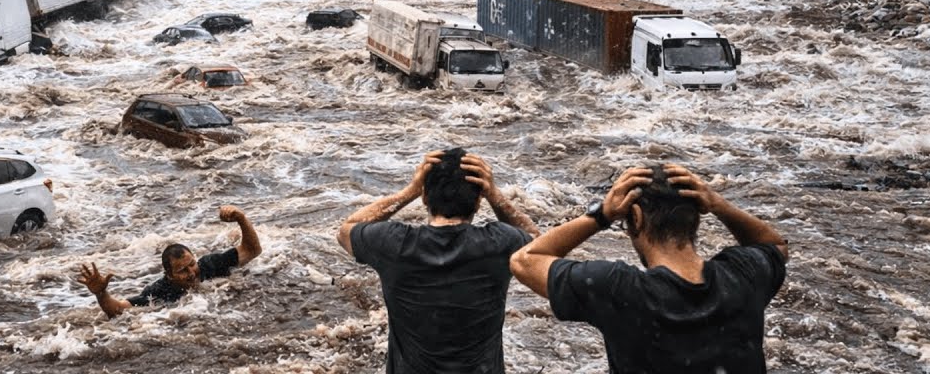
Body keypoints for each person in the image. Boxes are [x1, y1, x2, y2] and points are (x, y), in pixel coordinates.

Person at [510, 164, 789, 374]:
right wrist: (720, 204)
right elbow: (775, 245)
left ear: (636, 218)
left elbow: (524, 260)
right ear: (697, 216)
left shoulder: (619, 290)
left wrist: (602, 214)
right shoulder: (744, 275)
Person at [337, 148, 539, 374]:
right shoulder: (499, 244)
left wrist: (408, 191)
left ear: (424, 197)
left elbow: (346, 231)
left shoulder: (395, 244)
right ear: (478, 203)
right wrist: (495, 195)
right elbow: (539, 247)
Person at [78, 205, 262, 319]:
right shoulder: (159, 292)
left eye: (192, 264)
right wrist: (101, 293)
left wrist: (241, 218)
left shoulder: (210, 264)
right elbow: (118, 310)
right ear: (169, 275)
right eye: (182, 270)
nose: (191, 273)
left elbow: (252, 250)